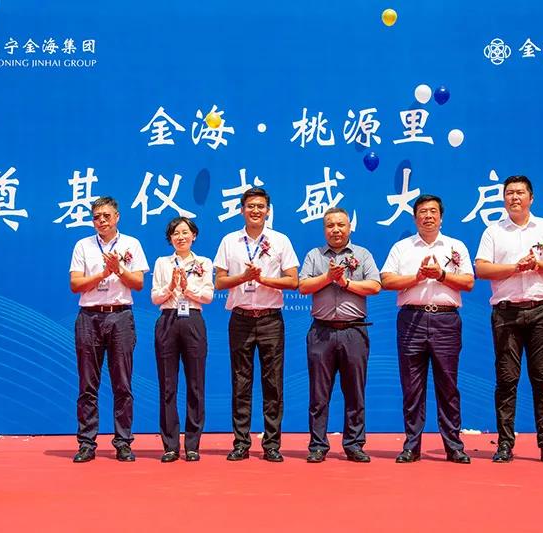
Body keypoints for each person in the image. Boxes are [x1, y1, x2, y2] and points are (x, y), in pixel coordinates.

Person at [475, 175, 543, 464]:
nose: (514, 197)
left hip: (541, 311)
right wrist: (515, 268)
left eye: (519, 192)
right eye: (509, 193)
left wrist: (537, 264)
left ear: (531, 198)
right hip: (506, 313)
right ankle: (505, 444)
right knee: (506, 380)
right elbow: (482, 269)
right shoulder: (493, 232)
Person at [380, 194, 474, 464]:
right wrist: (418, 277)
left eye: (433, 211)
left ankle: (454, 446)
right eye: (423, 212)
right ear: (415, 218)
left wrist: (441, 275)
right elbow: (386, 280)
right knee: (412, 386)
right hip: (412, 319)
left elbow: (468, 282)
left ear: (441, 217)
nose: (428, 216)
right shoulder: (402, 247)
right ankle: (412, 445)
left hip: (446, 320)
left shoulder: (456, 246)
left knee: (448, 385)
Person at [213, 187, 299, 462]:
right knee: (241, 382)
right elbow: (219, 282)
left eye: (260, 206)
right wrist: (244, 277)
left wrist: (262, 280)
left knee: (273, 384)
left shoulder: (280, 240)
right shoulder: (229, 241)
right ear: (242, 210)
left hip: (270, 319)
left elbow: (293, 280)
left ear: (268, 211)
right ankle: (241, 443)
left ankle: (272, 444)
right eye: (250, 206)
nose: (255, 211)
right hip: (241, 318)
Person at [69, 196, 149, 463]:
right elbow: (75, 285)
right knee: (87, 384)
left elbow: (138, 283)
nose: (101, 221)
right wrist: (103, 274)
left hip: (120, 317)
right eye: (96, 217)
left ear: (117, 217)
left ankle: (123, 442)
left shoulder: (131, 244)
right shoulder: (83, 245)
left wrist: (119, 269)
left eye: (106, 216)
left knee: (122, 384)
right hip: (89, 317)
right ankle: (86, 443)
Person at [298, 208, 381, 463]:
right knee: (319, 393)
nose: (336, 230)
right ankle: (318, 445)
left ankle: (354, 444)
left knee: (355, 392)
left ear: (349, 227)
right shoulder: (314, 255)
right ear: (324, 229)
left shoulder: (362, 255)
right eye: (330, 225)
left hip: (354, 331)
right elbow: (303, 286)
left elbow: (375, 285)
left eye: (341, 225)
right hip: (321, 332)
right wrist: (327, 277)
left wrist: (345, 283)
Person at [151, 217, 213, 463]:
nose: (181, 237)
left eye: (185, 232)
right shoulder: (162, 262)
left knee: (196, 384)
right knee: (168, 385)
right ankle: (170, 446)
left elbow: (208, 296)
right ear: (170, 238)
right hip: (167, 320)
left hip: (193, 320)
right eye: (175, 233)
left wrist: (187, 289)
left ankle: (193, 445)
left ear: (193, 236)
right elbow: (155, 297)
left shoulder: (204, 262)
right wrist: (170, 288)